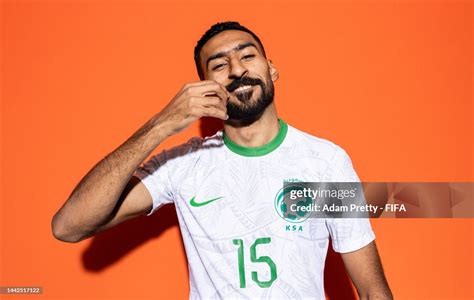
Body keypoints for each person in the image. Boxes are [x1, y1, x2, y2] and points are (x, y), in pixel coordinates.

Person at [52, 21, 393, 299]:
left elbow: (372, 290)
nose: (236, 70)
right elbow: (69, 226)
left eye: (248, 56)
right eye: (219, 65)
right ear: (205, 87)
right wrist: (162, 124)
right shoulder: (184, 165)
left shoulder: (325, 162)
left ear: (271, 69)